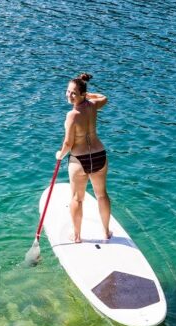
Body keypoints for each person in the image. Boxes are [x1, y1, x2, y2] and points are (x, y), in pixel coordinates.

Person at [55, 73, 110, 243]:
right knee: (101, 195)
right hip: (99, 155)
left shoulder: (72, 115)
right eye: (68, 91)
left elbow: (68, 143)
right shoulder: (93, 106)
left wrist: (60, 155)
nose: (69, 95)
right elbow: (104, 98)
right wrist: (87, 95)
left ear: (81, 94)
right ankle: (106, 232)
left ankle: (77, 236)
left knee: (77, 199)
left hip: (80, 160)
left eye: (73, 93)